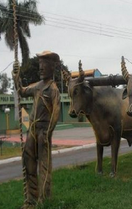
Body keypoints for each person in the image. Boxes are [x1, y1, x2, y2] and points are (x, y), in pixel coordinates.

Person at [12, 51, 61, 208]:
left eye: (44, 65)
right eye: (39, 65)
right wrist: (16, 77)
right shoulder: (36, 86)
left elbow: (56, 112)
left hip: (43, 132)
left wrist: (49, 132)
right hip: (32, 130)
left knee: (44, 166)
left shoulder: (53, 89)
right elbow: (21, 91)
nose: (40, 68)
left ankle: (44, 199)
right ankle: (31, 199)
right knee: (29, 163)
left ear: (51, 67)